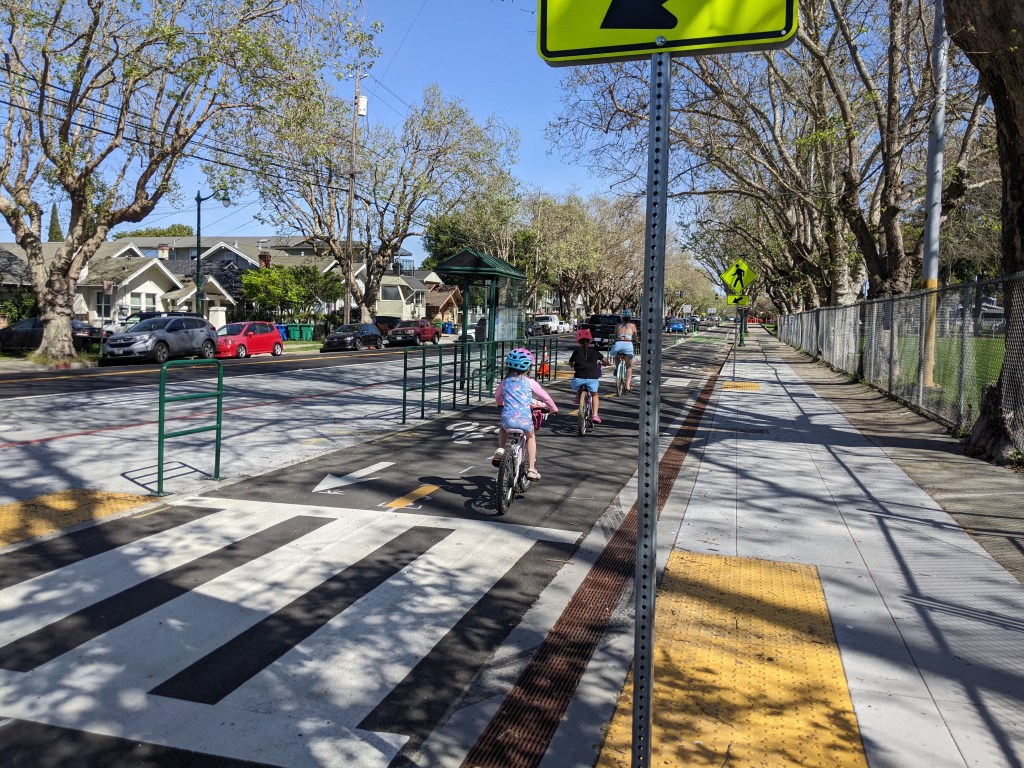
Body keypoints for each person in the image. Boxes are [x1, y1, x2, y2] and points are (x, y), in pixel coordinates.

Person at [492, 348, 558, 481]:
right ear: (528, 367)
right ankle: (532, 469)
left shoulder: (504, 382)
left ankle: (500, 449)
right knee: (531, 437)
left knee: (503, 428)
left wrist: (501, 403)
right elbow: (545, 398)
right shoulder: (530, 382)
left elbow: (497, 396)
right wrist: (553, 409)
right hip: (524, 421)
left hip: (507, 420)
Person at [569, 328, 610, 423]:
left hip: (578, 378)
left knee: (579, 386)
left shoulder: (576, 351)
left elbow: (571, 362)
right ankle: (595, 415)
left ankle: (579, 398)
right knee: (594, 394)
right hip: (592, 378)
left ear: (579, 342)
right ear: (590, 340)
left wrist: (572, 364)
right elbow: (604, 360)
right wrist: (607, 364)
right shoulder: (595, 351)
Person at [608, 309, 639, 392]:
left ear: (622, 318)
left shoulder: (617, 326)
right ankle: (628, 385)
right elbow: (635, 336)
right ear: (630, 318)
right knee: (629, 367)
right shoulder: (632, 326)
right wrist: (637, 341)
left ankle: (617, 368)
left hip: (618, 344)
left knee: (617, 357)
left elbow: (615, 337)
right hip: (628, 344)